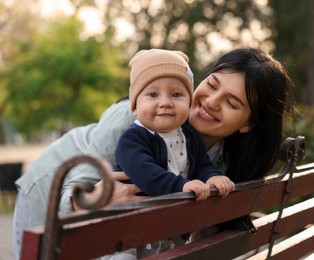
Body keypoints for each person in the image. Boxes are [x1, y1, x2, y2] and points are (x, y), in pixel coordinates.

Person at [13, 47, 293, 259]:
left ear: (248, 124)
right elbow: (72, 193)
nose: (210, 102)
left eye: (231, 102)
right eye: (212, 84)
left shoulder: (224, 157)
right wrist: (94, 198)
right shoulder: (133, 117)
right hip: (52, 186)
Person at [115, 49, 234, 200]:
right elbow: (146, 174)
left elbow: (202, 166)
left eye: (176, 94)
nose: (165, 103)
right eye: (153, 95)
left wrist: (212, 177)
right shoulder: (132, 139)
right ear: (135, 107)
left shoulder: (189, 135)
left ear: (189, 103)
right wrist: (181, 186)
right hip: (134, 214)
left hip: (171, 214)